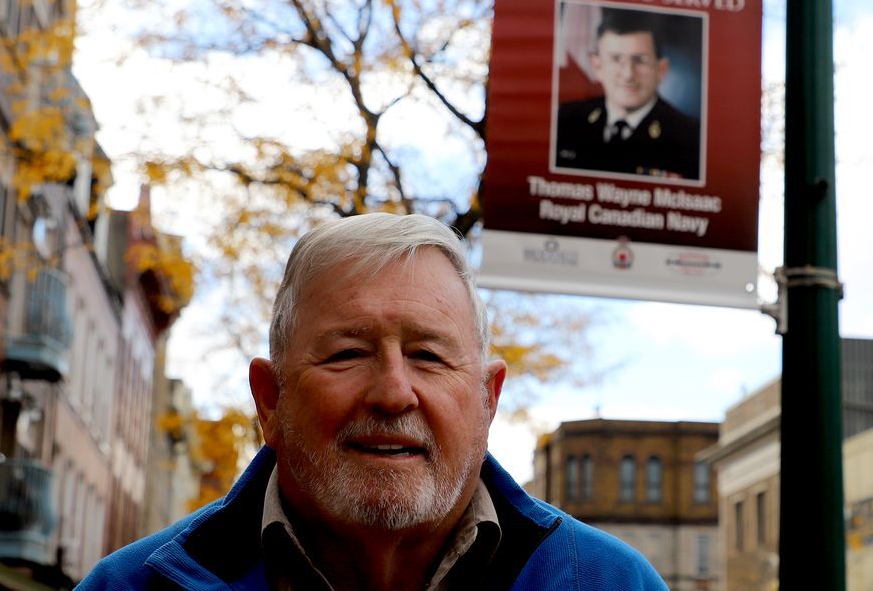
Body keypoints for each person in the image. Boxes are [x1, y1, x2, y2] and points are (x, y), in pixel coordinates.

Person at [77, 213, 667, 590]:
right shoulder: (127, 588)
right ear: (270, 399)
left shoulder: (613, 583)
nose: (392, 392)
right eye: (346, 355)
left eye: (429, 357)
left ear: (488, 400)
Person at [555, 8, 701, 180]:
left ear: (661, 69)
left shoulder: (690, 137)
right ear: (597, 66)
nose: (628, 74)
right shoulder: (565, 120)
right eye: (616, 59)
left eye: (640, 60)